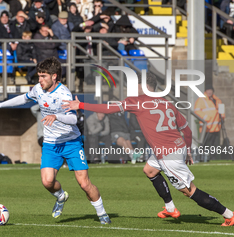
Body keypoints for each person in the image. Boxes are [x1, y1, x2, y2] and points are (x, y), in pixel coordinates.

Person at [62, 72, 234, 226]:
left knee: (189, 191)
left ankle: (228, 214)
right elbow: (187, 130)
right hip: (177, 147)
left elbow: (109, 108)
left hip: (167, 155)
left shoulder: (137, 101)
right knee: (150, 170)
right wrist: (188, 150)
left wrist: (81, 105)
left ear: (143, 87)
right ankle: (170, 208)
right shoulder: (168, 103)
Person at [0, 57, 111, 224]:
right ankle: (61, 196)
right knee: (47, 181)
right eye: (39, 76)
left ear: (54, 76)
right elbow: (24, 98)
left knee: (84, 184)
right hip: (51, 143)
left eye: (43, 76)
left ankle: (102, 214)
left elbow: (73, 119)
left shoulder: (64, 94)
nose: (40, 80)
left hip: (71, 142)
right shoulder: (38, 89)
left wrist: (56, 116)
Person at [194, 85, 225, 161]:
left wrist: (222, 117)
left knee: (215, 144)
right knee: (206, 144)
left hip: (216, 127)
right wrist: (206, 118)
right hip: (207, 127)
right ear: (205, 91)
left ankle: (213, 158)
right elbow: (197, 111)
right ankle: (203, 158)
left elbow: (222, 111)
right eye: (208, 90)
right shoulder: (201, 100)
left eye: (210, 90)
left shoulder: (217, 100)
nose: (209, 92)